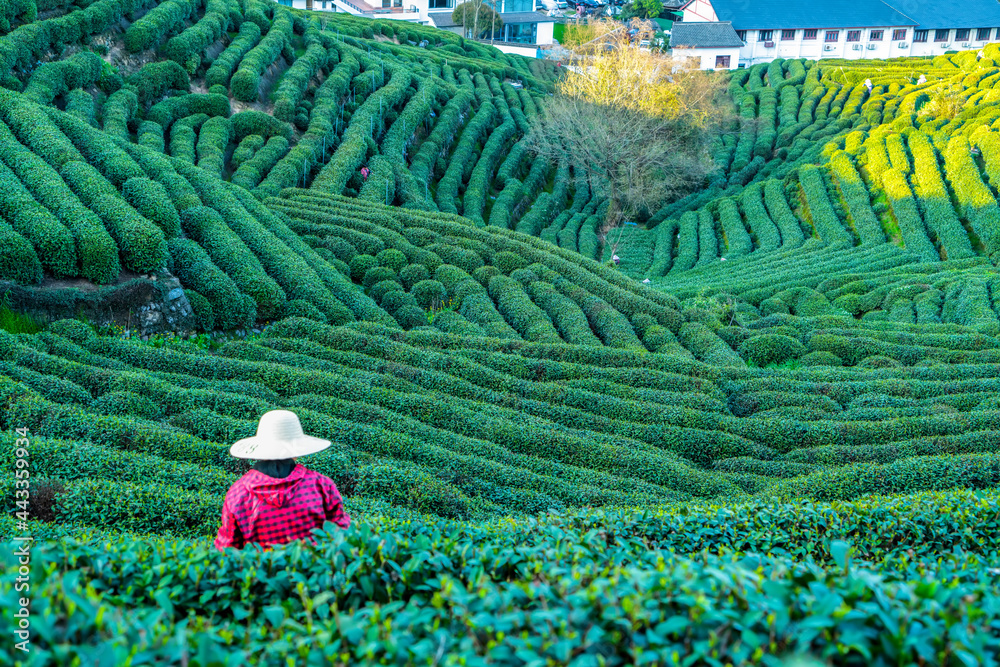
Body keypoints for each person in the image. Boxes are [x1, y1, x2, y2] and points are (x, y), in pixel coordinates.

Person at [214, 410, 350, 551]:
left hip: (262, 571)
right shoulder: (321, 485)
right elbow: (341, 533)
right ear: (297, 448)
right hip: (316, 569)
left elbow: (227, 549)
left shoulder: (237, 493)